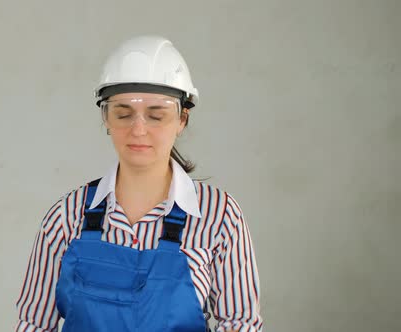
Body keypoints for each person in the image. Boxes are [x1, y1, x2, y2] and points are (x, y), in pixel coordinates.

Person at [15, 35, 263, 332]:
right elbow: (33, 324)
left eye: (157, 115)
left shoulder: (219, 216)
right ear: (106, 118)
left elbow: (241, 324)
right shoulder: (67, 216)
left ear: (182, 119)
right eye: (123, 114)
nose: (139, 129)